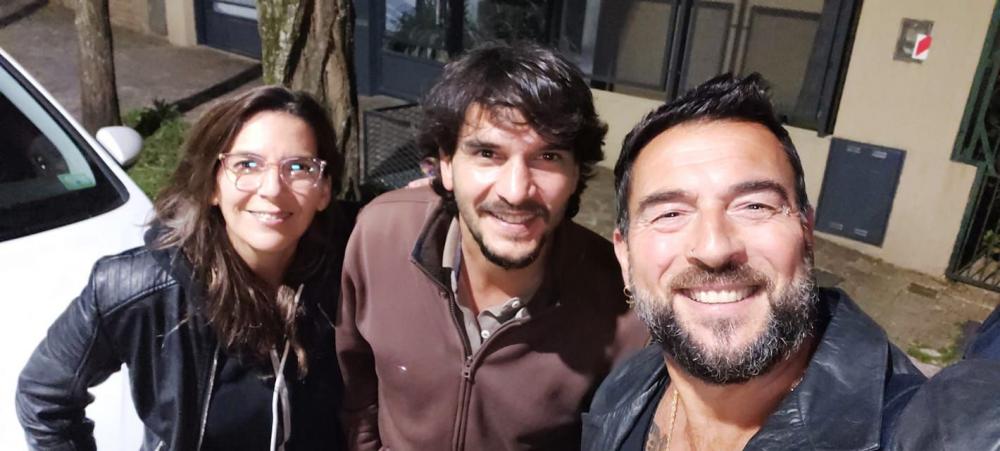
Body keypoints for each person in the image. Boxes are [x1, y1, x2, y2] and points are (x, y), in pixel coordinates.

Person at [582, 74, 927, 451]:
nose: (714, 248)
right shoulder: (623, 389)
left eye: (755, 206)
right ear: (625, 255)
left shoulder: (911, 431)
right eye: (670, 214)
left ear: (806, 232)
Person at [335, 43, 648, 451]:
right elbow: (355, 376)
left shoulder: (622, 305)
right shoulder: (379, 236)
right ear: (446, 164)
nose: (516, 191)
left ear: (576, 174)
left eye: (548, 156)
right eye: (487, 153)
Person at [16, 86, 350, 451]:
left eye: (299, 167)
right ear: (212, 186)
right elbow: (43, 396)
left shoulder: (352, 269)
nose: (272, 188)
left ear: (324, 190)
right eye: (247, 165)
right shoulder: (137, 288)